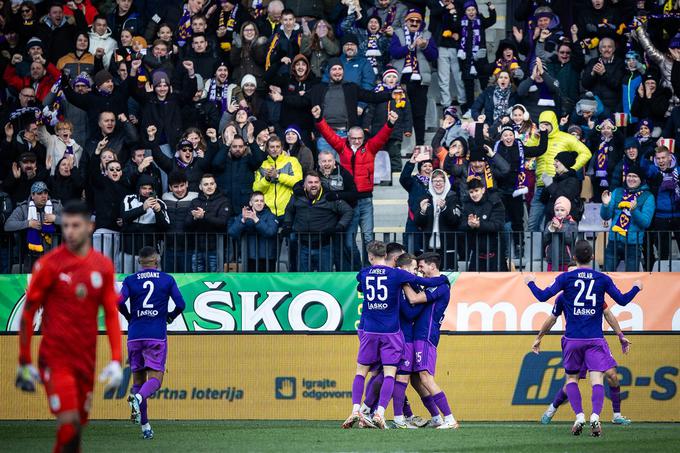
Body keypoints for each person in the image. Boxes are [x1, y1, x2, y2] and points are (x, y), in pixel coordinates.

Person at [15, 200, 122, 453]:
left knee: (75, 433)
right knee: (69, 422)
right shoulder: (49, 265)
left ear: (90, 227)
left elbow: (110, 314)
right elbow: (28, 315)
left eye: (76, 225)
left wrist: (117, 359)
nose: (70, 232)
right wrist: (24, 359)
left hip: (86, 359)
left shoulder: (103, 266)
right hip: (55, 357)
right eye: (66, 226)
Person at [525, 240, 642, 437]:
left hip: (572, 340)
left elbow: (542, 296)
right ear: (593, 257)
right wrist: (637, 287)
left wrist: (529, 281)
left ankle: (579, 415)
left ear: (574, 257)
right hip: (595, 339)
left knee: (571, 378)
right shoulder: (601, 279)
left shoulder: (566, 279)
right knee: (597, 379)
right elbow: (622, 300)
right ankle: (595, 415)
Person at [343, 241, 446, 429]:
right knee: (390, 374)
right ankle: (380, 413)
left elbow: (360, 285)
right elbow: (423, 283)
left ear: (370, 256)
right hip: (391, 331)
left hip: (369, 330)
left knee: (366, 372)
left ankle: (358, 410)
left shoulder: (364, 272)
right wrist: (443, 280)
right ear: (394, 258)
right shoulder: (397, 275)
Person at [313, 105, 397, 266]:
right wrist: (319, 119)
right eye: (354, 138)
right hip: (349, 201)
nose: (357, 141)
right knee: (348, 241)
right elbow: (328, 134)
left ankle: (370, 268)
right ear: (348, 137)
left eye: (360, 138)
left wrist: (390, 123)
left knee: (368, 238)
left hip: (366, 200)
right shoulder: (342, 146)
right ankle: (358, 268)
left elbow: (382, 137)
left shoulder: (370, 147)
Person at [118, 246, 186, 440]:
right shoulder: (167, 279)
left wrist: (129, 316)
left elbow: (118, 301)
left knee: (138, 381)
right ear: (156, 261)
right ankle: (138, 399)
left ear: (140, 262)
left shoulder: (130, 280)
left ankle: (146, 427)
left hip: (135, 335)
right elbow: (181, 304)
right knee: (155, 380)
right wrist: (170, 317)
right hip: (156, 335)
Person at [535, 294, 633, 426]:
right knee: (572, 381)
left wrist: (620, 335)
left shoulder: (593, 292)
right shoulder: (563, 297)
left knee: (612, 375)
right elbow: (552, 318)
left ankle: (616, 415)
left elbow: (608, 314)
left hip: (595, 343)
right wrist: (539, 337)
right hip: (576, 343)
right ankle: (552, 409)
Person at [401, 252, 458, 429]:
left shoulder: (441, 286)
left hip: (426, 335)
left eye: (422, 267)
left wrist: (402, 280)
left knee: (425, 377)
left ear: (432, 266)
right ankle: (436, 417)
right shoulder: (434, 284)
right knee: (417, 380)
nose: (420, 271)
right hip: (419, 334)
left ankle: (449, 419)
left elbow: (414, 298)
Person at [526, 110, 591, 231]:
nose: (544, 126)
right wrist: (535, 139)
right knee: (532, 224)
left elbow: (586, 152)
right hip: (542, 186)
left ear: (553, 123)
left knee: (555, 224)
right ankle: (534, 250)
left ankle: (551, 249)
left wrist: (571, 169)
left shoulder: (565, 138)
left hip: (560, 186)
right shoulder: (537, 138)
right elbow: (526, 155)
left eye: (547, 124)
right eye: (542, 124)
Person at [283, 171, 353, 272]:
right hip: (303, 246)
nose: (313, 185)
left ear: (320, 183)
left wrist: (339, 227)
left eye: (316, 182)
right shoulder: (297, 197)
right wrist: (287, 225)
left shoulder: (329, 197)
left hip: (324, 247)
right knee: (303, 279)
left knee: (325, 280)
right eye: (310, 182)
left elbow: (348, 211)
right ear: (304, 184)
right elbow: (289, 210)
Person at [388, 9, 438, 145]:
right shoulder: (398, 33)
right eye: (412, 20)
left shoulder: (427, 35)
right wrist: (410, 47)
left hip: (420, 81)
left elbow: (434, 56)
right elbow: (394, 52)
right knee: (398, 112)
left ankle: (420, 145)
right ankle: (396, 145)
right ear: (406, 21)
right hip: (401, 80)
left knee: (419, 115)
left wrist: (425, 46)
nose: (414, 23)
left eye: (418, 21)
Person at [601, 165, 655, 271]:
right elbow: (606, 216)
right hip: (614, 241)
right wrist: (606, 205)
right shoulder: (617, 192)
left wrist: (634, 211)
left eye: (635, 176)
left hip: (633, 244)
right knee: (607, 275)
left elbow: (646, 222)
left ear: (641, 179)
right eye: (629, 176)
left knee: (631, 277)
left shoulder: (648, 196)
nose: (631, 179)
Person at [4, 181, 63, 272]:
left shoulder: (56, 206)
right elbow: (8, 225)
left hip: (52, 254)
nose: (44, 196)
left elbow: (71, 221)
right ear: (32, 195)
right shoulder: (23, 208)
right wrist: (28, 224)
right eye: (39, 193)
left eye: (45, 193)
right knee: (31, 283)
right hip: (30, 256)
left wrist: (55, 218)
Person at [121, 175, 170, 272]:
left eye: (150, 188)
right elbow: (124, 217)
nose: (147, 191)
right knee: (128, 278)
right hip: (130, 250)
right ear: (139, 188)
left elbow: (165, 227)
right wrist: (143, 208)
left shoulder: (160, 203)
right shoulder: (129, 199)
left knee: (154, 280)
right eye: (144, 188)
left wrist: (158, 212)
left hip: (151, 253)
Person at [185, 174, 231, 272]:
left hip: (216, 249)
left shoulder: (223, 201)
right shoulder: (195, 202)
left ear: (215, 185)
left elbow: (223, 222)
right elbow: (187, 223)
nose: (209, 186)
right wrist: (195, 218)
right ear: (200, 187)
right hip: (197, 249)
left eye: (211, 183)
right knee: (196, 280)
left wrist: (204, 216)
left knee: (215, 280)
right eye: (206, 184)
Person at [459, 177, 505, 271]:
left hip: (495, 252)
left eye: (476, 191)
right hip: (476, 253)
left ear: (483, 190)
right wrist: (469, 224)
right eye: (471, 192)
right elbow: (461, 225)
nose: (474, 194)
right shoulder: (467, 205)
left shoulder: (495, 202)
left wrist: (479, 225)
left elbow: (498, 225)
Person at [252, 135, 303, 220]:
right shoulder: (262, 165)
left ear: (282, 148)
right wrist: (267, 179)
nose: (275, 149)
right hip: (268, 211)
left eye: (277, 147)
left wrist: (278, 176)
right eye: (272, 147)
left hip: (288, 209)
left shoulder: (292, 161)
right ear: (267, 149)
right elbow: (256, 189)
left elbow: (298, 182)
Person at [645, 146, 680, 268]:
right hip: (660, 217)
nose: (661, 161)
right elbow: (643, 168)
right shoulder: (654, 171)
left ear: (670, 157)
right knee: (663, 252)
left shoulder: (678, 171)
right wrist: (650, 151)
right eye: (658, 158)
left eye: (663, 158)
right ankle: (663, 278)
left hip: (678, 215)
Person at [228, 191, 279, 272]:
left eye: (261, 201)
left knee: (267, 283)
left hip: (267, 257)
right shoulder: (244, 215)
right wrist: (243, 220)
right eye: (256, 201)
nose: (259, 203)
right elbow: (232, 233)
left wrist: (256, 220)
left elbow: (270, 232)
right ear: (250, 203)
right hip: (249, 256)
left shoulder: (271, 216)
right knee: (250, 283)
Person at [161, 170, 199, 272]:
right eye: (176, 186)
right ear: (170, 187)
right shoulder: (165, 197)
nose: (179, 189)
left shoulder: (196, 197)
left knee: (187, 280)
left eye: (182, 185)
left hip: (188, 248)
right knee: (168, 279)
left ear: (187, 184)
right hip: (168, 247)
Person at [543, 196, 578, 271]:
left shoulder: (572, 224)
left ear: (567, 212)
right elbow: (545, 240)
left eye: (562, 210)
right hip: (551, 259)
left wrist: (560, 228)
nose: (559, 212)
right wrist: (550, 230)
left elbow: (570, 240)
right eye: (557, 210)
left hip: (566, 260)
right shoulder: (550, 223)